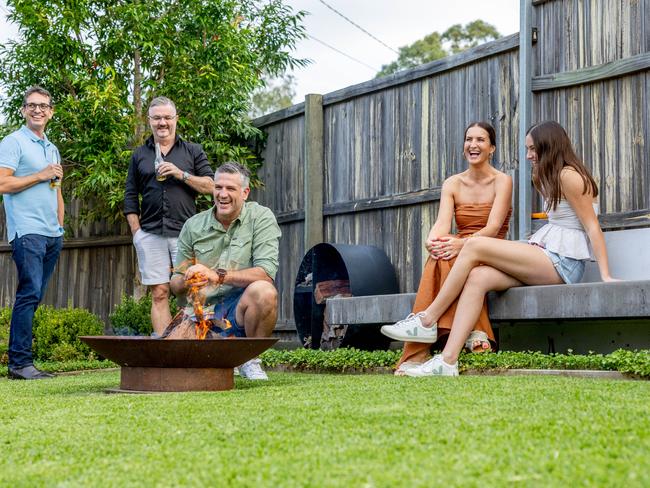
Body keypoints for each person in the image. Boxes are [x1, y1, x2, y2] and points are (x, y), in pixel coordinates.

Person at [382, 120, 617, 376]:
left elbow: (593, 227)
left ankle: (427, 320)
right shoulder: (546, 175)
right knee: (477, 277)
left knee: (472, 245)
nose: (528, 155)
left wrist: (605, 275)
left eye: (532, 149)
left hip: (564, 262)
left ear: (548, 146)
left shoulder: (569, 176)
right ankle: (447, 361)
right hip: (547, 254)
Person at [392, 121, 513, 376]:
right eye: (469, 140)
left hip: (491, 249)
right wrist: (432, 239)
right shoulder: (452, 184)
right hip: (460, 247)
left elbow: (493, 228)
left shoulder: (502, 181)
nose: (473, 145)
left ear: (492, 148)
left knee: (452, 255)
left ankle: (424, 341)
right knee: (439, 256)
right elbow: (442, 223)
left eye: (480, 140)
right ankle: (463, 336)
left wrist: (461, 244)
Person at [169, 162, 281, 380]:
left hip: (240, 310)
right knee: (182, 370)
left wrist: (217, 275)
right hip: (202, 315)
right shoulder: (193, 226)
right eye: (218, 187)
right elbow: (174, 284)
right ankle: (221, 354)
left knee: (264, 291)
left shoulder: (261, 218)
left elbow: (265, 273)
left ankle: (250, 359)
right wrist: (189, 279)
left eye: (230, 189)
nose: (222, 194)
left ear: (245, 192)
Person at [124, 96, 215, 335]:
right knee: (159, 293)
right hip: (150, 233)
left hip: (186, 234)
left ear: (176, 119)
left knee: (193, 290)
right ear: (149, 121)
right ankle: (166, 348)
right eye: (157, 118)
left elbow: (210, 185)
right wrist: (136, 233)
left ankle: (195, 345)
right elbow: (130, 197)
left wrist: (180, 173)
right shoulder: (139, 155)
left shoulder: (193, 151)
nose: (162, 122)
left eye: (167, 117)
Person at [0, 86, 64, 380]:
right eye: (32, 105)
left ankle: (22, 361)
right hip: (27, 231)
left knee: (34, 296)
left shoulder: (51, 148)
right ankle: (20, 364)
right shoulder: (13, 142)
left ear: (51, 112)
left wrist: (60, 226)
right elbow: (2, 184)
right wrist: (39, 174)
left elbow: (56, 191)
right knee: (29, 294)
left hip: (52, 233)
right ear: (23, 110)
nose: (38, 110)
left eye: (43, 106)